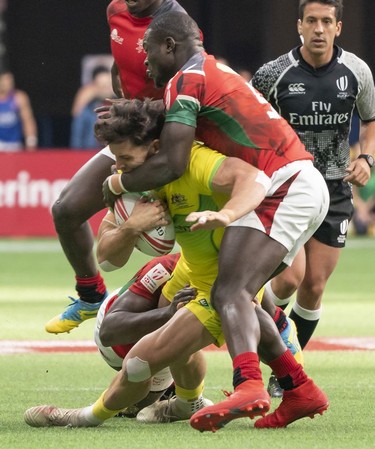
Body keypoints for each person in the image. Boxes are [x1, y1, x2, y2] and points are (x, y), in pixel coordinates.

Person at [24, 98, 328, 430]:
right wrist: (129, 221)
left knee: (140, 362)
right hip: (190, 269)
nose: (119, 168)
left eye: (125, 158)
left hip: (220, 275)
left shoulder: (195, 162)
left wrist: (226, 214)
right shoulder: (136, 179)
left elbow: (252, 180)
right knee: (241, 310)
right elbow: (108, 261)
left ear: (154, 148)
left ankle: (79, 417)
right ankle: (296, 387)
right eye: (116, 160)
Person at [101, 11, 330, 432]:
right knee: (239, 295)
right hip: (293, 181)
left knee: (230, 290)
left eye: (147, 52)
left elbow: (171, 161)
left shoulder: (184, 80)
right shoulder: (211, 70)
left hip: (281, 184)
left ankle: (248, 384)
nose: (143, 64)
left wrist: (117, 183)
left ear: (170, 46)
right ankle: (298, 389)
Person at [251, 0, 375, 395]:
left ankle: (283, 372)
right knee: (287, 279)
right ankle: (261, 331)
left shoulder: (357, 71)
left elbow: (371, 120)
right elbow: (249, 126)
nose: (318, 28)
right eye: (311, 21)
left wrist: (367, 158)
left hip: (336, 191)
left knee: (314, 286)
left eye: (326, 21)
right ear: (299, 26)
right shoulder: (272, 74)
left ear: (339, 27)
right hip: (287, 190)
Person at [46, 0, 189, 334]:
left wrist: (137, 110)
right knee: (65, 210)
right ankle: (91, 294)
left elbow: (190, 91)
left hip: (175, 145)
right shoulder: (116, 11)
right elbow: (120, 64)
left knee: (217, 243)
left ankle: (275, 322)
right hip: (135, 139)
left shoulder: (180, 24)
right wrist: (125, 105)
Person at [70, 66, 114, 149]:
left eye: (108, 85)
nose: (106, 90)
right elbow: (76, 113)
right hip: (90, 150)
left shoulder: (120, 106)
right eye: (102, 86)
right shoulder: (88, 110)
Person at [0, 70, 38, 151]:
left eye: (10, 80)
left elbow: (28, 120)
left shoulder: (19, 97)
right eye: (5, 79)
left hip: (14, 145)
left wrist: (31, 142)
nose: (9, 83)